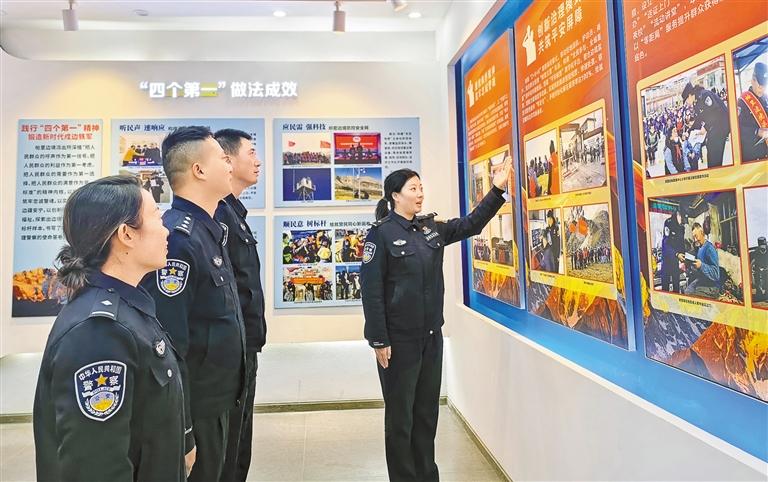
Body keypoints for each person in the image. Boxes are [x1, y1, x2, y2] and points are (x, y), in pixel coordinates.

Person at [360, 160, 511, 482]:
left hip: (431, 337)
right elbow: (371, 292)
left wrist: (497, 189)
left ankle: (427, 475)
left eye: (421, 188)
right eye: (413, 189)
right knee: (401, 418)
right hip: (398, 342)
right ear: (395, 196)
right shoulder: (380, 235)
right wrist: (378, 339)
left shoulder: (431, 229)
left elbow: (471, 224)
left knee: (427, 413)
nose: (420, 194)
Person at [33, 176, 190, 482]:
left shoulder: (129, 307)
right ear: (126, 234)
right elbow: (97, 466)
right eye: (157, 218)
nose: (166, 230)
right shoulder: (98, 333)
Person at [140, 126, 246, 482]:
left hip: (219, 400)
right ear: (199, 170)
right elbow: (169, 345)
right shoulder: (179, 240)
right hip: (197, 407)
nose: (229, 165)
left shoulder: (208, 230)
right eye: (222, 158)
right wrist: (183, 428)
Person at [213, 129, 267, 482]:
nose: (257, 161)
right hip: (229, 353)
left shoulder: (234, 214)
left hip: (244, 349)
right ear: (228, 160)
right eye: (251, 153)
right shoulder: (219, 218)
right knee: (227, 452)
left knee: (238, 446)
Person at [682, 82, 730, 168]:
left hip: (722, 124)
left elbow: (716, 111)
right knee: (710, 147)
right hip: (714, 127)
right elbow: (698, 120)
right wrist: (688, 131)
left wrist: (706, 127)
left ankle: (715, 171)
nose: (687, 103)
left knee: (713, 149)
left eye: (686, 101)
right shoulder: (696, 103)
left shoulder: (704, 95)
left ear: (689, 95)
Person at [737, 61, 768, 162]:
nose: (762, 89)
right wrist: (757, 131)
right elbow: (738, 129)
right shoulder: (742, 102)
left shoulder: (766, 98)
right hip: (753, 155)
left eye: (764, 86)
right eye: (760, 86)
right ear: (753, 80)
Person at [684, 220, 721, 299]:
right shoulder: (700, 248)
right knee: (686, 292)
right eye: (693, 237)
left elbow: (716, 275)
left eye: (696, 236)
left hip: (712, 286)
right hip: (702, 280)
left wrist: (701, 265)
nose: (695, 240)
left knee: (691, 297)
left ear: (702, 233)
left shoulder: (709, 248)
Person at [660, 209, 685, 293]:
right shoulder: (668, 223)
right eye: (681, 217)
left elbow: (682, 244)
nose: (682, 221)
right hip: (667, 260)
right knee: (665, 288)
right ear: (678, 214)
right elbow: (665, 244)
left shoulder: (681, 228)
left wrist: (683, 258)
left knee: (676, 286)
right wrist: (677, 254)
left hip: (675, 262)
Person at [751, 236, 768, 303]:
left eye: (764, 247)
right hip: (759, 268)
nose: (763, 249)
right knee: (757, 277)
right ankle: (759, 292)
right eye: (761, 247)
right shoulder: (756, 252)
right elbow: (753, 262)